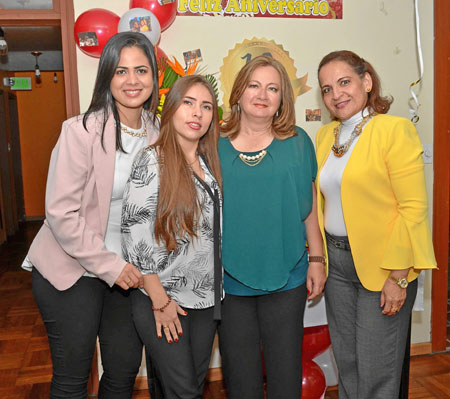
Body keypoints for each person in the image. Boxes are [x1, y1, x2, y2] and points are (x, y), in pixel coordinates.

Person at [22, 32, 159, 398]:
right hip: (71, 270)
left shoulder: (159, 133)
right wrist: (111, 266)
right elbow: (60, 214)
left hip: (126, 275)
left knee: (124, 371)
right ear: (107, 78)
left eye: (141, 70)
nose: (132, 80)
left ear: (154, 77)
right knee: (72, 379)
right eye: (121, 71)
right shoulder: (81, 131)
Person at [315, 50, 437, 399]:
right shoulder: (326, 137)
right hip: (337, 266)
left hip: (384, 267)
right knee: (349, 364)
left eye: (344, 82)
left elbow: (413, 208)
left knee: (378, 373)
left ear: (366, 82)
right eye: (326, 88)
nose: (335, 94)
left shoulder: (394, 129)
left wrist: (399, 275)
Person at [217, 55, 326, 399]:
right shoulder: (211, 142)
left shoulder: (298, 143)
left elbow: (308, 210)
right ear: (238, 93)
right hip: (228, 280)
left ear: (282, 100)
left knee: (284, 373)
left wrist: (317, 260)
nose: (262, 94)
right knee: (240, 376)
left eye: (272, 88)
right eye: (254, 85)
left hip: (287, 274)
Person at [121, 74, 223, 398]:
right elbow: (134, 236)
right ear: (172, 109)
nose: (197, 113)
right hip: (163, 298)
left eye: (206, 107)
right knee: (184, 393)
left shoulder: (208, 163)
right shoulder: (152, 160)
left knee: (187, 388)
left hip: (205, 299)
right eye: (189, 103)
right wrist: (159, 301)